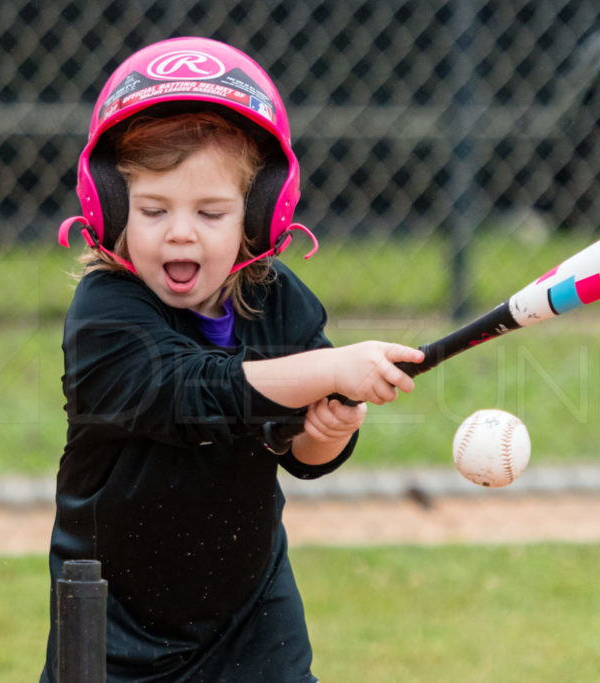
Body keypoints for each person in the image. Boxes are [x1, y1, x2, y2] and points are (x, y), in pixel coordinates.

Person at [40, 37, 423, 682]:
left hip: (252, 612)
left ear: (258, 212)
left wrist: (324, 436)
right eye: (154, 210)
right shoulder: (105, 311)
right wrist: (330, 370)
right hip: (115, 621)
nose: (181, 231)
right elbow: (192, 393)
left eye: (210, 212)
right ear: (108, 206)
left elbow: (298, 451)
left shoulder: (278, 302)